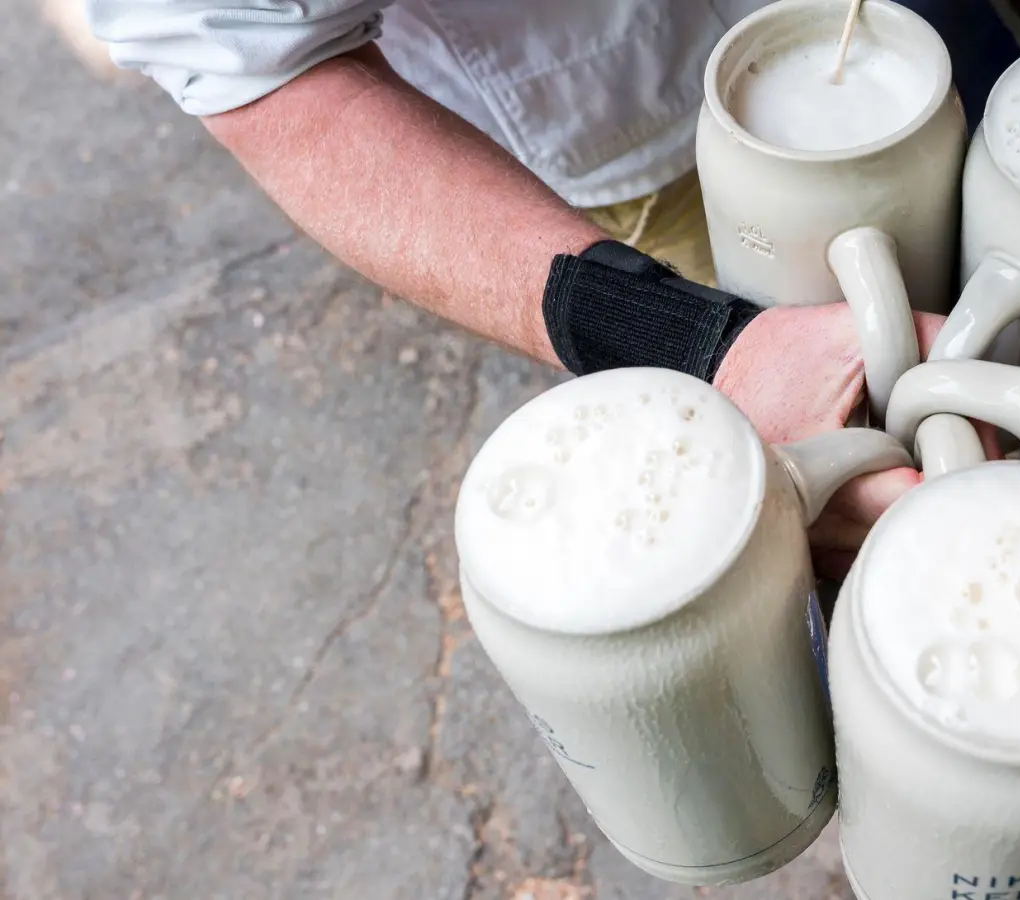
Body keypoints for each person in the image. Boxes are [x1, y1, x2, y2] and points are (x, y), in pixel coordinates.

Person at [87, 1, 975, 578]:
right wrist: (693, 342)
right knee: (831, 476)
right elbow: (267, 74)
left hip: (885, 40)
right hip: (628, 128)